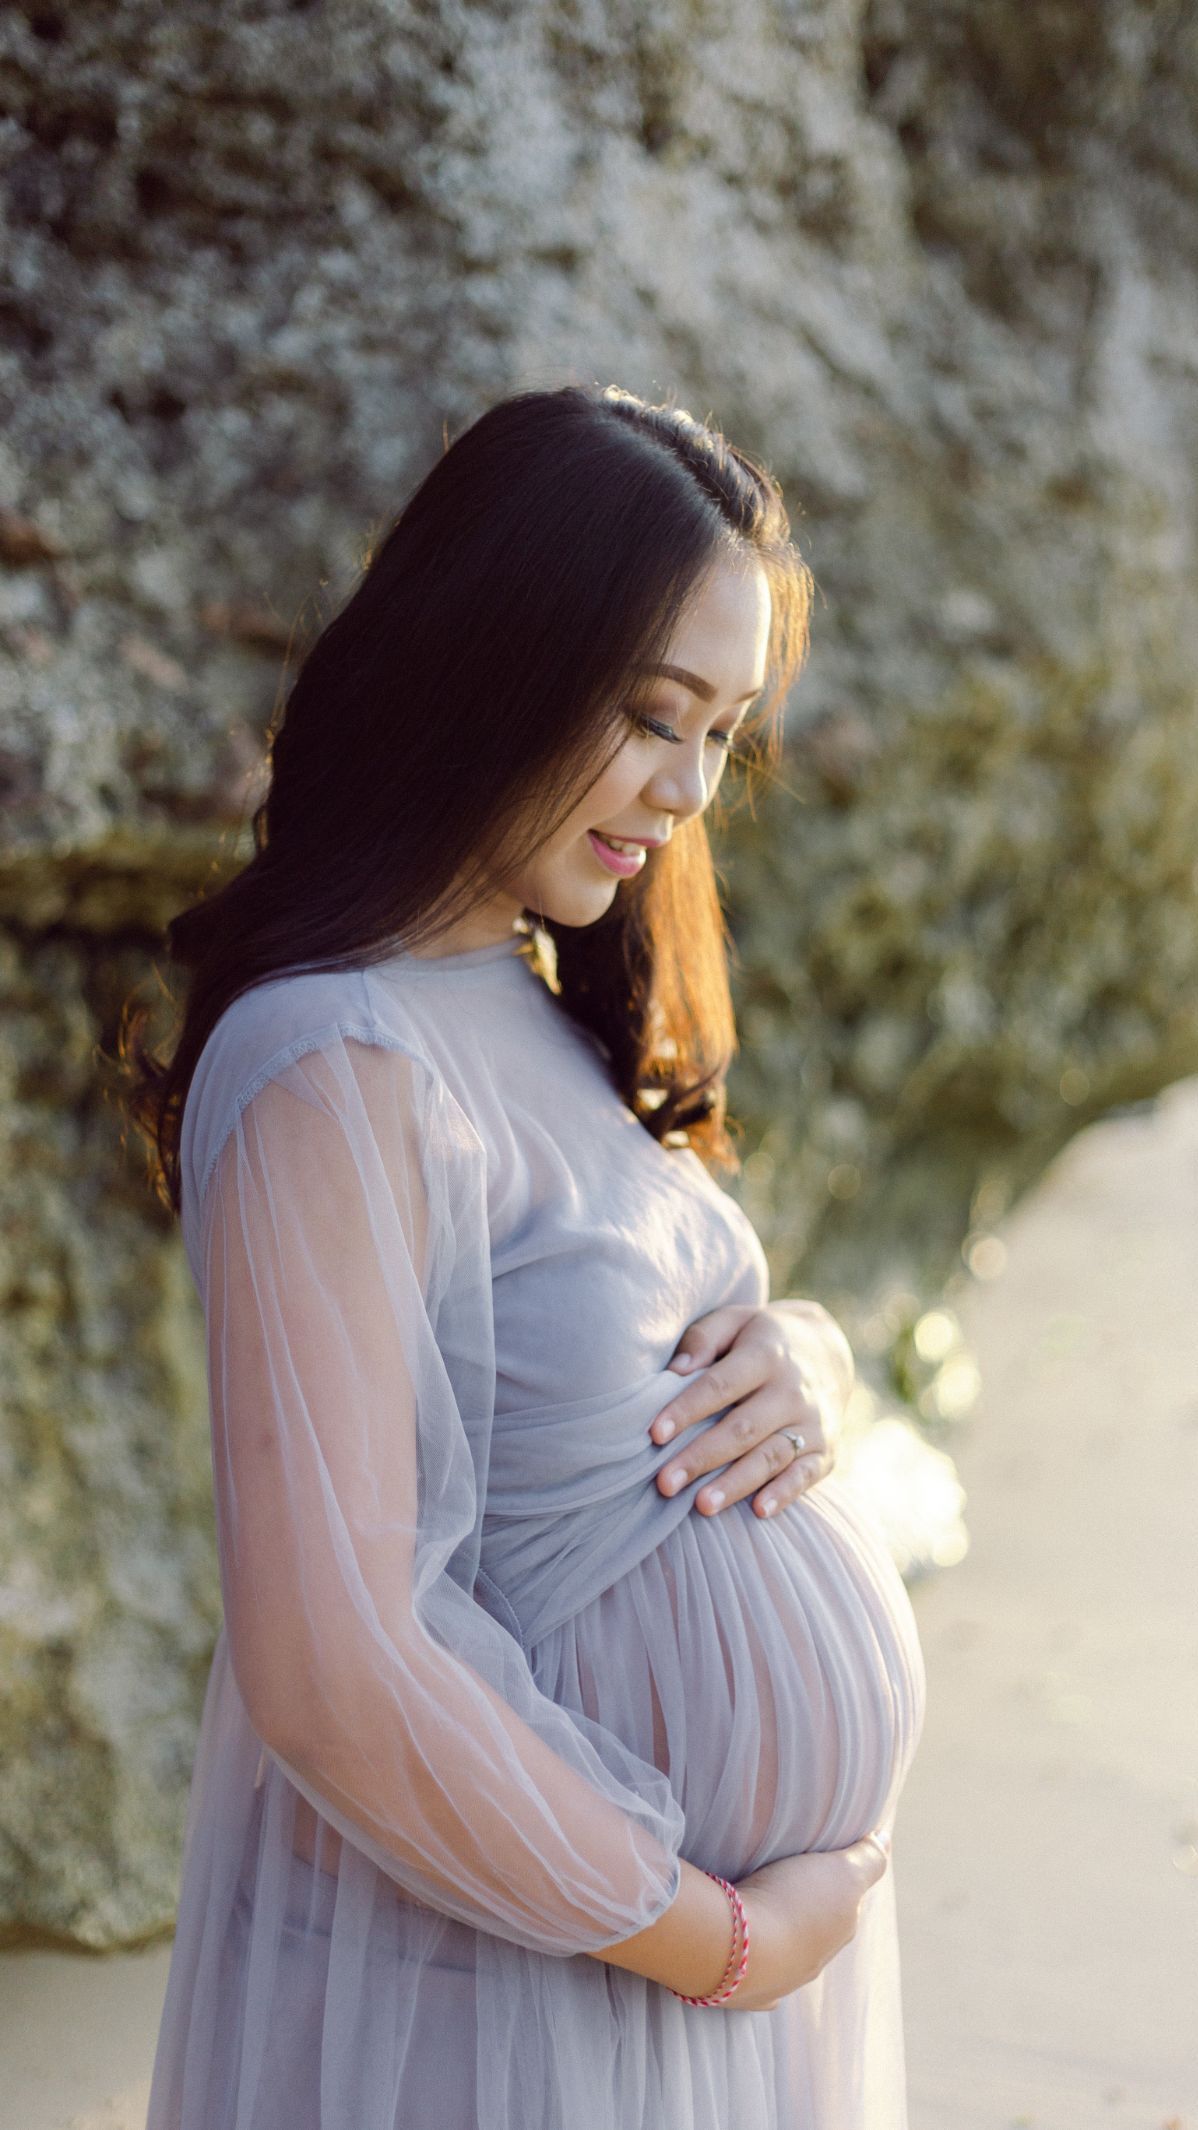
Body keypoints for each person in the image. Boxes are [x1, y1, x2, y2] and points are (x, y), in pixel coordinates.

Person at [124, 383, 926, 2130]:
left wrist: (800, 1356)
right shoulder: (334, 1054)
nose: (687, 788)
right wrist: (706, 1932)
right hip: (509, 2006)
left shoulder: (534, 994)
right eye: (653, 715)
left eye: (723, 732)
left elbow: (603, 1364)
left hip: (629, 1993)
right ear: (492, 656)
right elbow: (336, 1660)